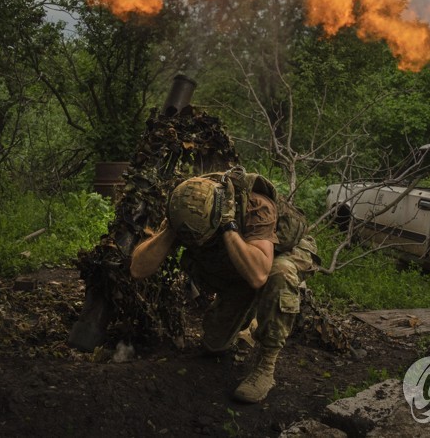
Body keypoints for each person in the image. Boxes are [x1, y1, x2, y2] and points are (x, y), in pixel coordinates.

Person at [129, 170, 317, 403]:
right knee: (214, 345)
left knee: (279, 274)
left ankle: (266, 364)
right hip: (242, 262)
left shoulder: (255, 205)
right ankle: (249, 318)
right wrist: (169, 231)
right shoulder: (186, 205)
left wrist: (228, 226)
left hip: (279, 252)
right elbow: (138, 269)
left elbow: (259, 274)